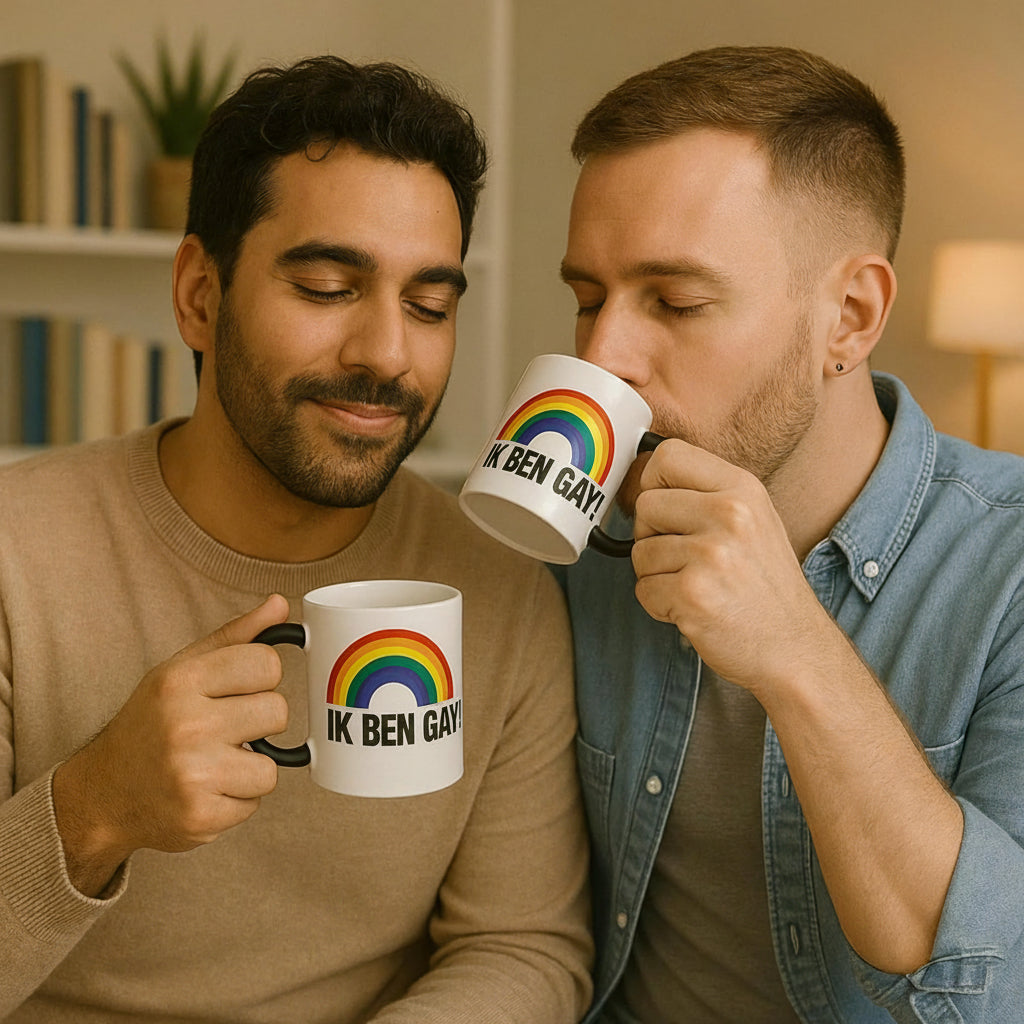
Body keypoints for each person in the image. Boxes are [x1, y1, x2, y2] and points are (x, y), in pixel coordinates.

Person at [0, 56, 591, 1022]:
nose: (387, 354)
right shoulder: (16, 556)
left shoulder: (501, 589)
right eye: (325, 287)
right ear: (199, 293)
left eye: (430, 306)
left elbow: (523, 948)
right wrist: (94, 807)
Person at [555, 45, 1024, 1023]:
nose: (601, 357)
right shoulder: (570, 545)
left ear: (849, 317)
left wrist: (794, 649)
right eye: (588, 298)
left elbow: (995, 990)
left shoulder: (1006, 566)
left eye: (675, 302)